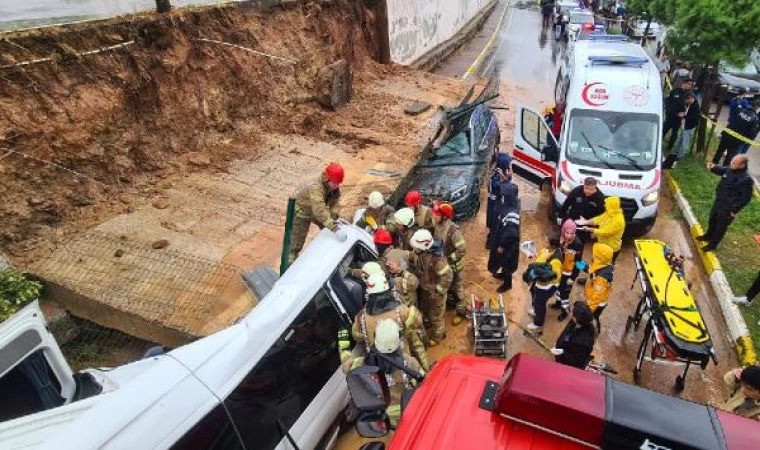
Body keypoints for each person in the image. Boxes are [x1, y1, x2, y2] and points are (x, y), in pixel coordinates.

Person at [339, 318, 422, 426]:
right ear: (398, 343)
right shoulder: (410, 363)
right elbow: (425, 384)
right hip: (412, 411)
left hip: (389, 419)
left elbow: (346, 365)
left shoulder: (363, 365)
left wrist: (343, 343)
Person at [289, 163, 346, 264]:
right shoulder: (315, 187)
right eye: (334, 183)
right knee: (296, 243)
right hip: (303, 211)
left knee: (328, 231)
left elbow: (334, 205)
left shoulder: (333, 186)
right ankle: (289, 265)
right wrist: (335, 228)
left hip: (316, 209)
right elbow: (319, 211)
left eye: (338, 183)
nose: (336, 186)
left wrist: (335, 219)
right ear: (327, 179)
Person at [698, 155, 753, 252]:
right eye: (732, 161)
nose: (731, 164)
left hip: (728, 207)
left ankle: (712, 245)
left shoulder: (746, 179)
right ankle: (708, 236)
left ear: (742, 165)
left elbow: (746, 198)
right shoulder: (730, 169)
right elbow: (721, 170)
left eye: (735, 163)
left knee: (720, 227)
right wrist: (713, 167)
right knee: (712, 219)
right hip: (719, 201)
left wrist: (734, 210)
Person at [409, 229, 453, 347]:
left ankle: (437, 337)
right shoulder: (423, 253)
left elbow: (448, 277)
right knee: (428, 312)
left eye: (416, 247)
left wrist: (438, 291)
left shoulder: (438, 260)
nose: (414, 250)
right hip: (427, 289)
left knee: (436, 317)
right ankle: (431, 327)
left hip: (435, 294)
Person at [431, 201, 467, 313]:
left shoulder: (453, 230)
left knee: (457, 289)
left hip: (454, 265)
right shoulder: (437, 225)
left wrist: (449, 258)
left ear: (444, 216)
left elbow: (462, 249)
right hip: (444, 264)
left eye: (436, 214)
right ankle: (451, 303)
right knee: (448, 285)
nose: (434, 216)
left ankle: (461, 310)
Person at [488, 183, 521, 293]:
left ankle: (508, 284)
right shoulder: (511, 203)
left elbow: (511, 234)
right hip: (503, 238)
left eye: (504, 194)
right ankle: (503, 275)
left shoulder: (512, 213)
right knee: (503, 261)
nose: (502, 196)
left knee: (508, 262)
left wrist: (502, 245)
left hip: (509, 244)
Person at [524, 243, 562, 334]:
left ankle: (538, 323)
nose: (545, 243)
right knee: (534, 296)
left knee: (540, 304)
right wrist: (532, 254)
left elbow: (554, 276)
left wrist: (540, 277)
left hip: (545, 286)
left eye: (547, 241)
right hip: (538, 282)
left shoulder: (555, 260)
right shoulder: (545, 249)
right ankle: (535, 310)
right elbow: (538, 255)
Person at [550, 220, 584, 321]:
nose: (569, 236)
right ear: (563, 231)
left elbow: (579, 263)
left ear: (575, 233)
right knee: (558, 288)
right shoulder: (561, 240)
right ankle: (557, 304)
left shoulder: (578, 244)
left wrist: (573, 277)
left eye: (571, 233)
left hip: (569, 274)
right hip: (560, 272)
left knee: (565, 293)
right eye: (567, 233)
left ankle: (565, 310)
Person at [576, 196, 626, 263]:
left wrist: (589, 229)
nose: (604, 205)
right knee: (595, 263)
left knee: (603, 267)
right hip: (602, 245)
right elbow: (598, 219)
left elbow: (605, 232)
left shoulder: (618, 220)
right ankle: (591, 270)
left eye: (607, 204)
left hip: (610, 249)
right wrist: (586, 222)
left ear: (612, 206)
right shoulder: (609, 213)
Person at [557, 176, 605, 243]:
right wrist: (560, 216)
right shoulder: (577, 191)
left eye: (591, 189)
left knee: (580, 243)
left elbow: (601, 215)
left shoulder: (600, 198)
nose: (588, 191)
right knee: (565, 240)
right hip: (572, 220)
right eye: (586, 188)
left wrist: (595, 229)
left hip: (586, 226)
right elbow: (567, 203)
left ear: (595, 187)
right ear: (583, 185)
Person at [551, 301, 596, 369]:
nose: (571, 313)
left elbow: (577, 362)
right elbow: (566, 332)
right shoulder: (575, 321)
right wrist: (558, 342)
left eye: (572, 312)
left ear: (578, 319)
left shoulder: (582, 342)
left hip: (566, 362)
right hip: (564, 348)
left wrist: (563, 353)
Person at [713, 98, 759, 166]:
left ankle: (714, 163)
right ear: (757, 108)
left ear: (750, 105)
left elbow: (734, 104)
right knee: (730, 156)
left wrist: (738, 99)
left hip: (727, 134)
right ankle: (724, 170)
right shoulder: (755, 119)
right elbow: (752, 135)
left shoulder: (740, 111)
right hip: (737, 141)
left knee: (720, 150)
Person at [583, 243, 614, 333]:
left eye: (595, 254)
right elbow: (592, 269)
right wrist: (582, 266)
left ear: (600, 257)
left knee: (593, 317)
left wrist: (588, 309)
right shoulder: (604, 264)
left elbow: (597, 298)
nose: (593, 255)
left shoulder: (602, 278)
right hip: (594, 297)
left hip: (598, 303)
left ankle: (594, 330)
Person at [487, 153, 513, 248]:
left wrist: (504, 174)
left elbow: (508, 180)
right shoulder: (494, 179)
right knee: (493, 223)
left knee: (499, 224)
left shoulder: (505, 175)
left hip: (498, 204)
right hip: (494, 204)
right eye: (509, 166)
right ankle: (490, 242)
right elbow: (506, 187)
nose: (511, 168)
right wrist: (502, 175)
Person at [663, 78, 694, 152]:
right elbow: (668, 101)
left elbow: (689, 105)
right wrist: (668, 111)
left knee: (674, 134)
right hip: (670, 116)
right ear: (684, 83)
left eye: (691, 85)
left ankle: (669, 148)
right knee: (663, 131)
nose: (690, 86)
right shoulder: (675, 91)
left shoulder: (689, 94)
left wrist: (684, 113)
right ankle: (658, 144)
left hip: (678, 118)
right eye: (689, 84)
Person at [672, 91, 700, 160]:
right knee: (680, 140)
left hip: (689, 127)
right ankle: (676, 152)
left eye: (687, 100)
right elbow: (687, 112)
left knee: (685, 142)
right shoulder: (690, 104)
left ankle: (680, 156)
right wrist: (684, 114)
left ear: (690, 98)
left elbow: (694, 118)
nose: (686, 102)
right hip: (685, 125)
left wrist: (684, 116)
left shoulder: (696, 106)